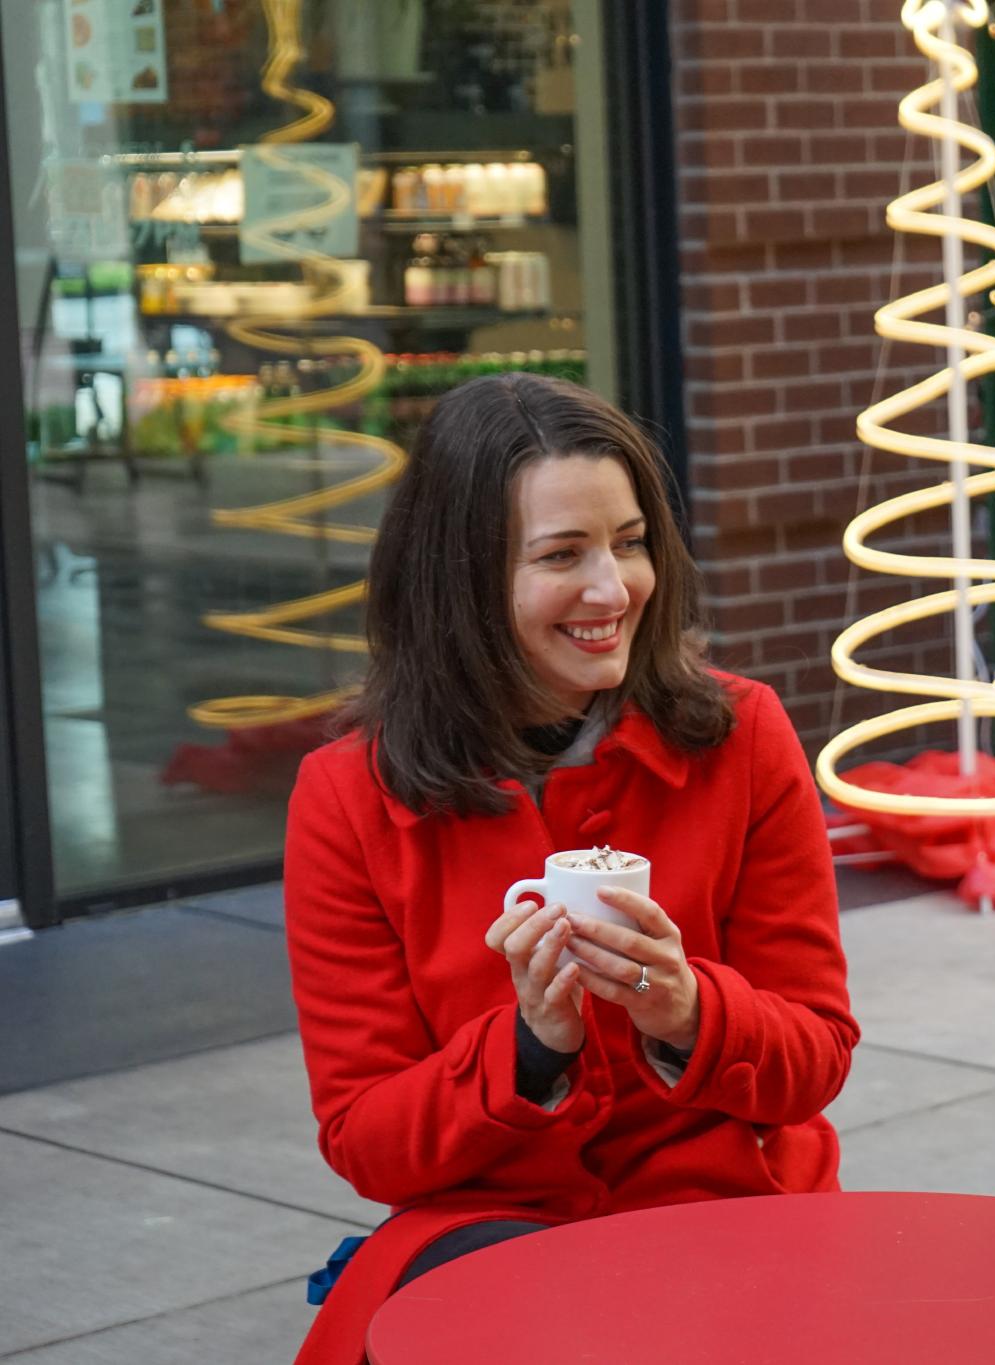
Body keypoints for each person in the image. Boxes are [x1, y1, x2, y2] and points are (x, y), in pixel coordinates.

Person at [284, 375, 857, 1365]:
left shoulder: (742, 735)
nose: (614, 588)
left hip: (728, 1210)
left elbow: (815, 1058)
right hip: (487, 1224)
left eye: (631, 543)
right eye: (562, 556)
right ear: (461, 577)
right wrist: (529, 1049)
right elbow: (366, 1139)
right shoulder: (346, 798)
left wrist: (685, 1012)